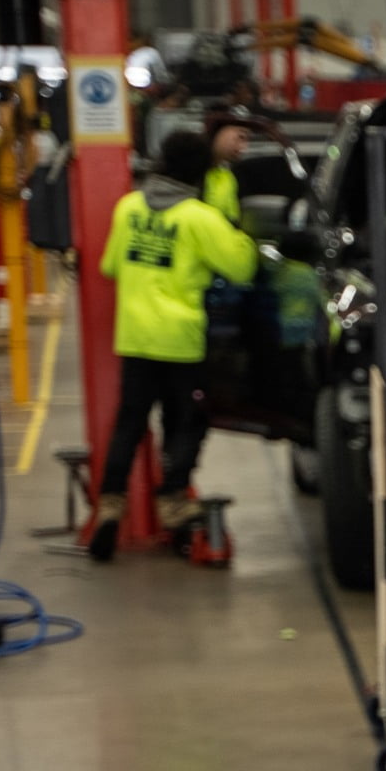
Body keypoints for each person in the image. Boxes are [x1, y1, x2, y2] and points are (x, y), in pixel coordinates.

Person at [90, 130, 258, 561]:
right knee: (186, 421)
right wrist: (236, 224)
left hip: (135, 337)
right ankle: (173, 504)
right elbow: (242, 266)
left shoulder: (129, 207)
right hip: (180, 342)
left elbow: (110, 265)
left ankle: (109, 509)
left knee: (129, 423)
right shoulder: (198, 218)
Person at [202, 106, 248, 227]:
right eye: (240, 137)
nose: (243, 147)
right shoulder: (186, 169)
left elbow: (232, 223)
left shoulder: (227, 177)